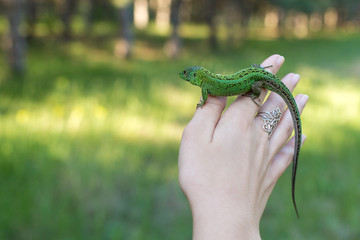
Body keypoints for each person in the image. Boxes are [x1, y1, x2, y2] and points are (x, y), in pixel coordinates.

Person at [178, 54, 308, 239]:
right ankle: (259, 74)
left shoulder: (206, 87)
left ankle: (257, 88)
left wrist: (255, 94)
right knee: (255, 74)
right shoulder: (207, 81)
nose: (184, 76)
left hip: (257, 80)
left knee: (255, 85)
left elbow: (205, 98)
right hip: (257, 73)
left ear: (195, 76)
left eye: (187, 74)